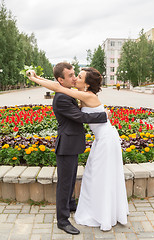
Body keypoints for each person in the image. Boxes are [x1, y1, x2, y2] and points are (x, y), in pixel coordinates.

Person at [27, 62, 110, 235]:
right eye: (71, 75)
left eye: (75, 74)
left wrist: (35, 77)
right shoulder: (62, 97)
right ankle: (62, 220)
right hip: (66, 145)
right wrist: (103, 115)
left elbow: (55, 85)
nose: (74, 78)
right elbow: (79, 116)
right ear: (60, 80)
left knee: (71, 178)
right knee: (64, 184)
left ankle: (70, 204)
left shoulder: (65, 91)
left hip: (72, 144)